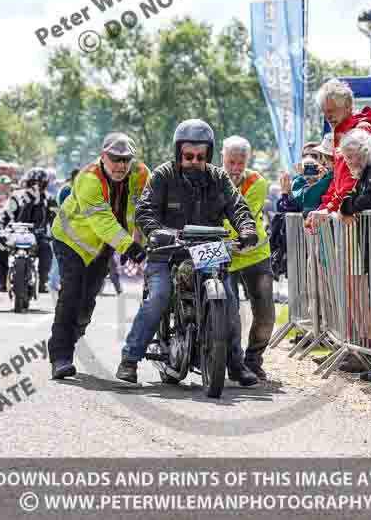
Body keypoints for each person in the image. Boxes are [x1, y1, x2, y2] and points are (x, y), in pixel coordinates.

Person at [117, 119, 259, 385]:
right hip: (168, 250)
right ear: (178, 153)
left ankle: (236, 364)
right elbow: (145, 210)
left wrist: (247, 229)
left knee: (229, 297)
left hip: (208, 249)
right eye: (188, 156)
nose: (194, 161)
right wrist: (157, 232)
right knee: (159, 295)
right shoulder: (162, 175)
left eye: (200, 156)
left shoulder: (219, 177)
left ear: (209, 155)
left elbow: (238, 207)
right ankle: (130, 359)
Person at [48, 133, 150, 379]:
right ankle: (60, 356)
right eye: (115, 159)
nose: (120, 166)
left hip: (103, 246)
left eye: (125, 160)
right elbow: (102, 221)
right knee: (71, 294)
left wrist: (140, 242)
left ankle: (75, 331)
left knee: (86, 303)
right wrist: (128, 246)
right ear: (103, 156)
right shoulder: (89, 178)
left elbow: (145, 210)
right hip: (70, 241)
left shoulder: (142, 174)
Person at [221, 136, 275, 380]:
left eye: (240, 163)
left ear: (247, 161)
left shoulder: (257, 182)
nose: (235, 168)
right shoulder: (212, 180)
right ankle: (234, 364)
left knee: (265, 313)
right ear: (222, 158)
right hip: (225, 257)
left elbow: (243, 219)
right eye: (230, 162)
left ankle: (253, 359)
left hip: (254, 254)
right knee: (230, 314)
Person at [306, 78, 371, 225]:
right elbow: (337, 181)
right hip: (348, 213)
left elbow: (355, 178)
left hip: (359, 217)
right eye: (324, 112)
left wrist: (329, 208)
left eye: (331, 110)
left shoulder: (360, 129)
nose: (327, 116)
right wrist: (324, 208)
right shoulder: (340, 133)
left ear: (348, 106)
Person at [0, 168, 57, 293]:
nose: (36, 185)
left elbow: (56, 219)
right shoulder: (17, 196)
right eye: (33, 182)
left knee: (46, 249)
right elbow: (7, 213)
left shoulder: (49, 199)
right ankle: (2, 281)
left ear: (44, 184)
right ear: (28, 182)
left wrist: (57, 232)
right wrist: (0, 224)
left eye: (39, 183)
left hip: (38, 234)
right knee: (0, 245)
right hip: (17, 232)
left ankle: (43, 281)